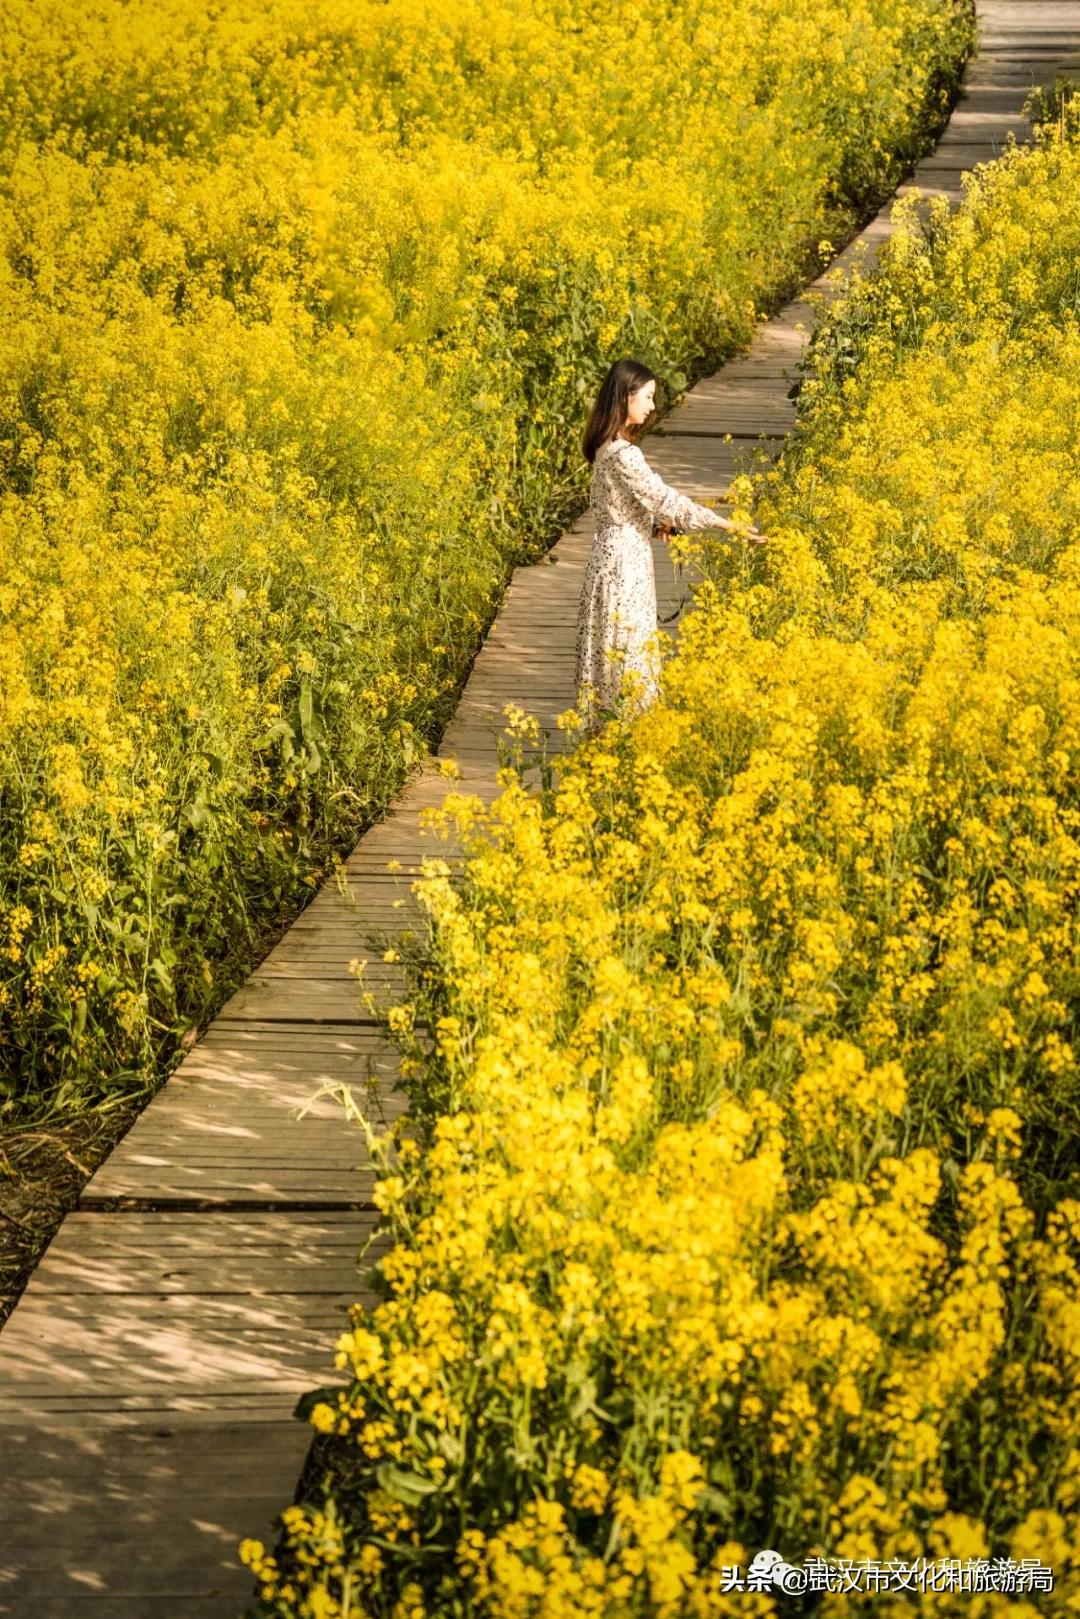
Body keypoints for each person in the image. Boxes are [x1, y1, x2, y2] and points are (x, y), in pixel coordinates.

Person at [574, 357, 767, 736]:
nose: (651, 407)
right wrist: (728, 524)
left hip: (610, 555)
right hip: (623, 567)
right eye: (646, 397)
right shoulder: (624, 453)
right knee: (628, 654)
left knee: (612, 649)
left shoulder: (603, 446)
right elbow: (665, 499)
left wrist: (651, 525)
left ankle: (607, 739)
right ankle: (629, 737)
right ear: (625, 396)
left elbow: (620, 508)